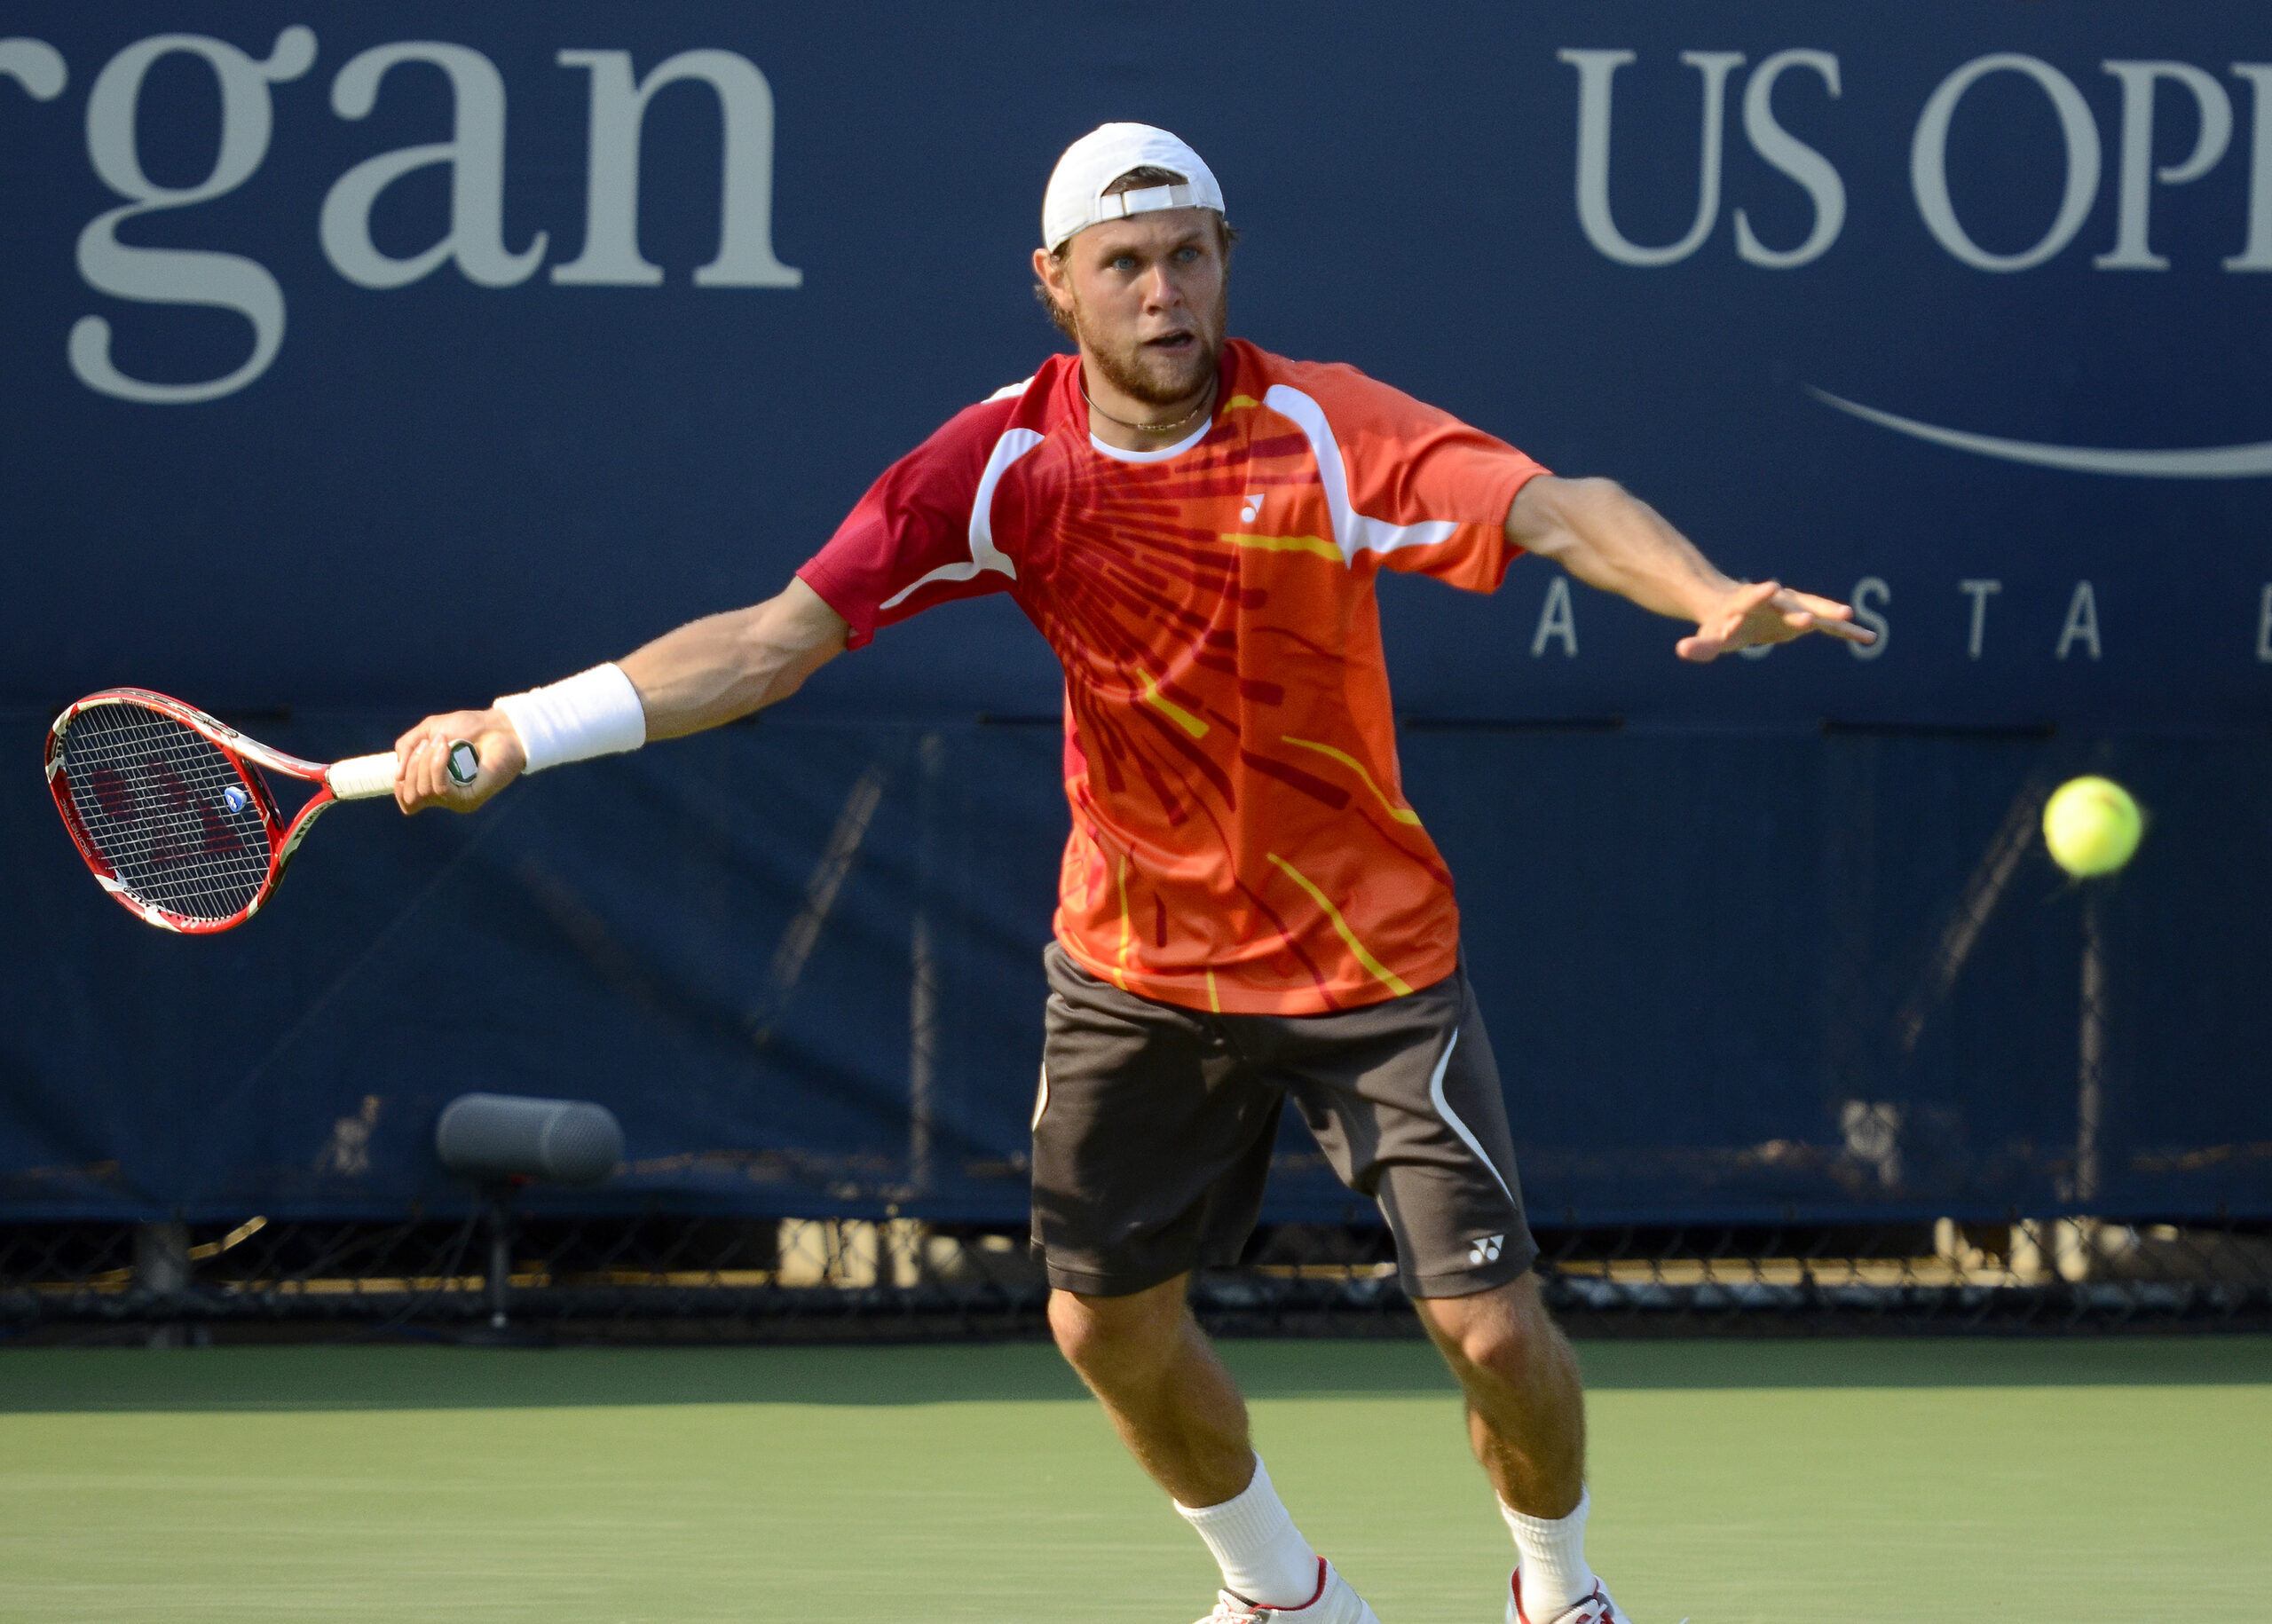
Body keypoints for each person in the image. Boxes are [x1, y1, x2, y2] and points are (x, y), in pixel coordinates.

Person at [390, 123, 1874, 1624]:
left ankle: (1558, 1594)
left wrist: (1706, 592)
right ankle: (1282, 1595)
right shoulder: (999, 469)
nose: (1162, 292)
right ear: (1057, 287)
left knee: (1491, 1333)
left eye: (1186, 256)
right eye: (1123, 266)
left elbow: (1551, 503)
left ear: (1225, 259)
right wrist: (521, 728)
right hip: (1136, 969)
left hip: (1367, 966)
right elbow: (772, 645)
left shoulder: (1324, 429)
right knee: (1103, 1326)